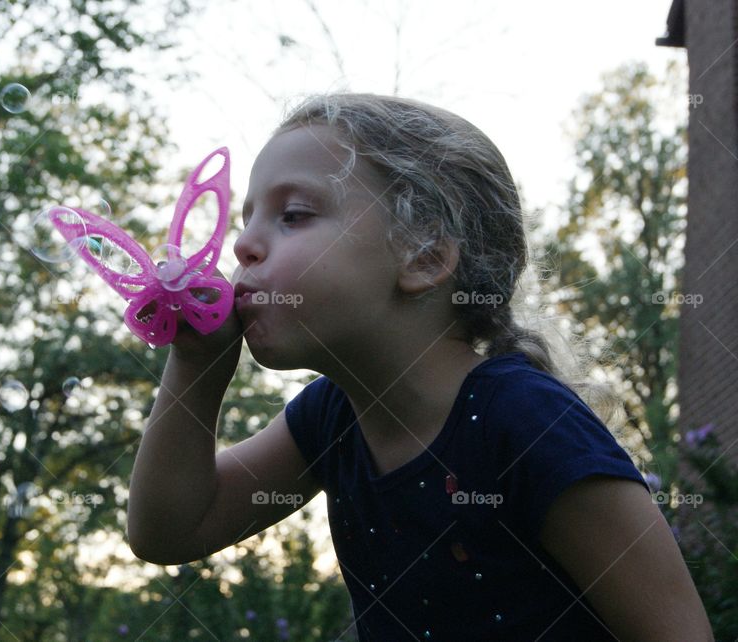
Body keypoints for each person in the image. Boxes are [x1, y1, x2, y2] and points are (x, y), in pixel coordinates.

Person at [127, 93, 713, 641]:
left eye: (294, 215)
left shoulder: (525, 421)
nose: (242, 247)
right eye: (247, 219)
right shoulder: (332, 418)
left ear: (426, 257)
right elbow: (171, 531)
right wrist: (197, 365)